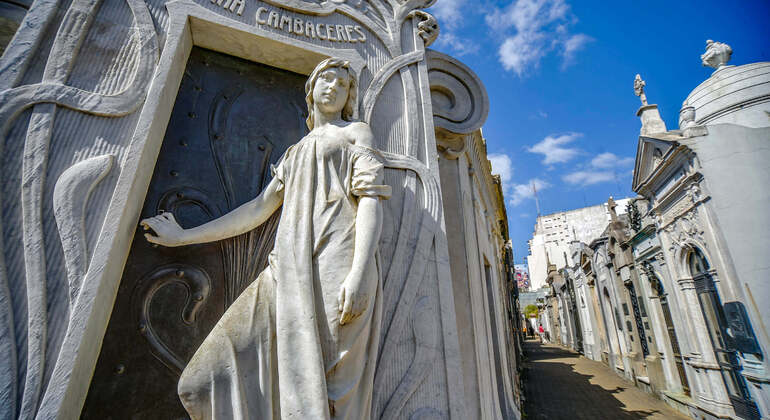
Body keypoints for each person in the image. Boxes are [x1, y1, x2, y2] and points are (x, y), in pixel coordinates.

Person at [141, 57, 391, 420]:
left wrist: (360, 272)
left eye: (343, 84)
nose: (335, 87)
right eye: (328, 79)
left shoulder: (355, 133)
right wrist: (183, 237)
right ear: (311, 88)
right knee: (199, 384)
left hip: (337, 263)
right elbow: (257, 210)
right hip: (286, 270)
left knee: (326, 394)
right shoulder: (293, 153)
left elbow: (370, 200)